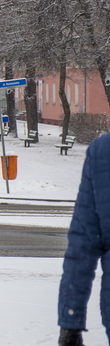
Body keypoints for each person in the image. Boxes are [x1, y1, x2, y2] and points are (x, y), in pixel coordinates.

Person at [57, 133, 110, 345]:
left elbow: (82, 245)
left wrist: (70, 322)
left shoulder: (102, 152)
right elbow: (83, 243)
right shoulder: (102, 152)